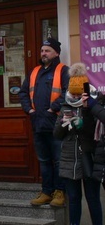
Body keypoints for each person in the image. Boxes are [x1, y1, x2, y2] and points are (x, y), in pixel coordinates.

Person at [54, 63, 104, 225]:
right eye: (72, 94)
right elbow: (57, 135)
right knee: (73, 199)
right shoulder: (65, 104)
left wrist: (82, 122)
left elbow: (95, 133)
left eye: (78, 94)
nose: (75, 98)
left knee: (93, 199)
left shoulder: (93, 103)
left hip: (88, 158)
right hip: (68, 158)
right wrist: (64, 122)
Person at [18, 37, 70, 207]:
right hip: (38, 123)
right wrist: (29, 110)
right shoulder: (34, 72)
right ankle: (46, 192)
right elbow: (23, 93)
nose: (43, 53)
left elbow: (67, 93)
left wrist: (52, 108)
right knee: (44, 160)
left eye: (47, 50)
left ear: (56, 53)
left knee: (58, 160)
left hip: (56, 124)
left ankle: (59, 192)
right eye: (42, 51)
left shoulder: (63, 71)